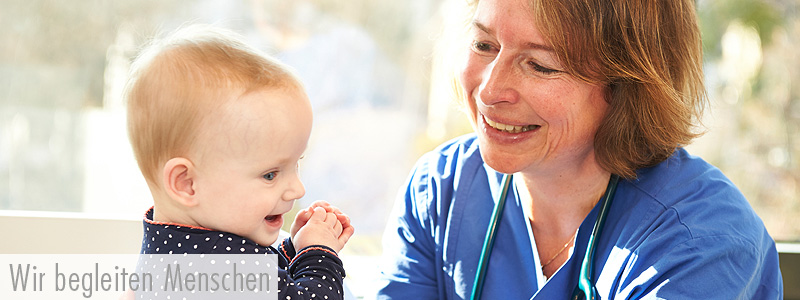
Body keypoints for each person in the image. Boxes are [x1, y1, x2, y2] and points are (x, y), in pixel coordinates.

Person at [377, 0, 783, 299]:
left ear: (628, 90)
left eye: (541, 65)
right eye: (484, 45)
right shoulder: (441, 192)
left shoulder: (699, 242)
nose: (490, 90)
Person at [124, 25, 354, 300]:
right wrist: (318, 254)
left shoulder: (178, 247)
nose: (297, 190)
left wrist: (294, 250)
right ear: (187, 183)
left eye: (296, 164)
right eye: (270, 174)